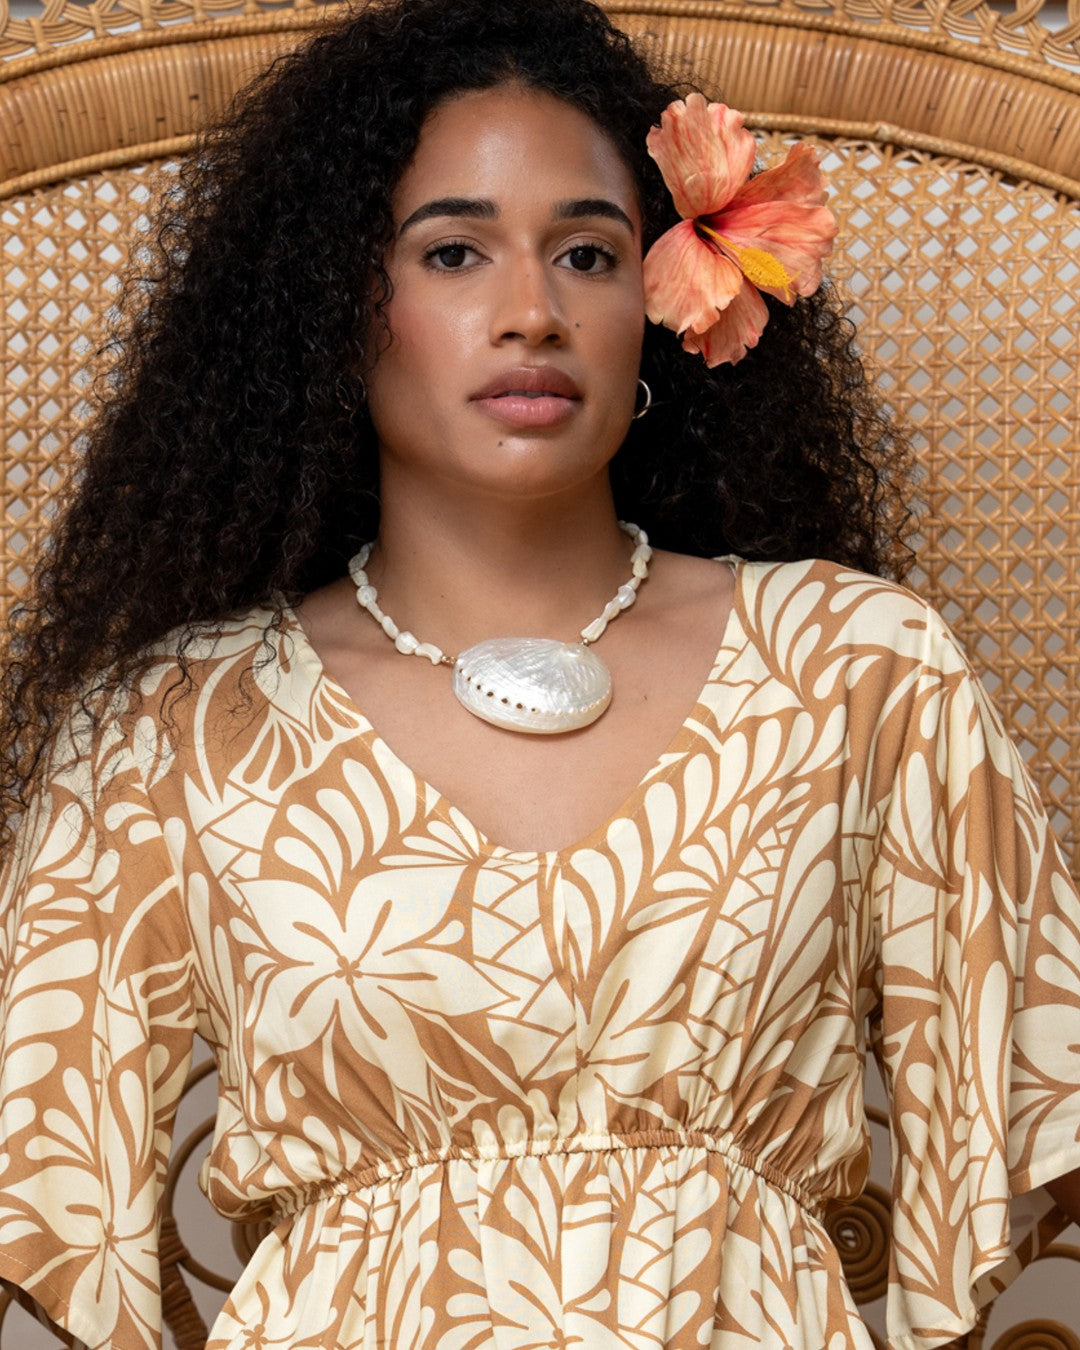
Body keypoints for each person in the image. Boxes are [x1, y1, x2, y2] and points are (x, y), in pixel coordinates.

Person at [0, 0, 1078, 1346]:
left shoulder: (858, 669)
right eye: (453, 252)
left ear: (668, 296)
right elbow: (55, 1209)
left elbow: (1017, 1115)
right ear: (333, 305)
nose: (531, 312)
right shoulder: (170, 727)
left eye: (586, 252)